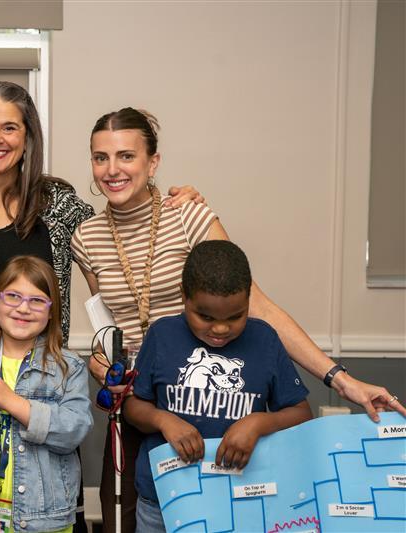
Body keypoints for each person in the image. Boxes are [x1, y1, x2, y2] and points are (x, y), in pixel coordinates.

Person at [72, 107, 406, 532]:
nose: (112, 169)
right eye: (101, 157)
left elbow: (257, 306)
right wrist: (99, 364)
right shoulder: (87, 238)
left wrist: (341, 379)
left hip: (206, 403)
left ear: (153, 162)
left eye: (126, 156)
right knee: (129, 520)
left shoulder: (188, 215)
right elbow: (107, 326)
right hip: (141, 406)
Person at [0, 82, 199, 530]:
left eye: (10, 128)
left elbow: (114, 223)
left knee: (41, 506)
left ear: (28, 137)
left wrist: (174, 199)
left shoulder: (56, 204)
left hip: (40, 382)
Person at [125, 240, 313, 532]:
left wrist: (258, 422)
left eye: (235, 316)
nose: (221, 328)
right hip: (163, 499)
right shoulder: (162, 335)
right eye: (206, 317)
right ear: (183, 296)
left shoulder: (265, 340)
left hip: (241, 495)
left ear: (249, 299)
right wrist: (163, 420)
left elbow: (301, 413)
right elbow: (133, 406)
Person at [0, 256, 93, 532]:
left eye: (37, 301)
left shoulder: (68, 367)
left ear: (52, 311)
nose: (23, 308)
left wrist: (10, 401)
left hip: (43, 520)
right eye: (13, 296)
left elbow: (74, 430)